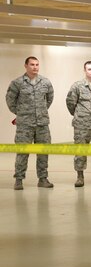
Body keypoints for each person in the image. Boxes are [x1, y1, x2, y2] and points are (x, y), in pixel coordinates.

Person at [6, 56, 54, 190]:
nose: (35, 67)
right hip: (24, 125)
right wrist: (21, 113)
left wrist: (40, 111)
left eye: (37, 64)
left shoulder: (45, 82)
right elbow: (10, 101)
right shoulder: (17, 83)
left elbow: (49, 99)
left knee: (43, 152)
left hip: (42, 124)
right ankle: (19, 180)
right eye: (32, 64)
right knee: (22, 152)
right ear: (26, 66)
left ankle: (43, 179)